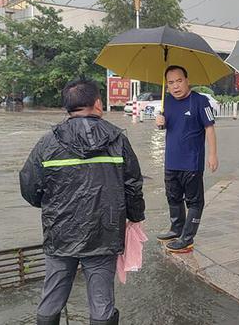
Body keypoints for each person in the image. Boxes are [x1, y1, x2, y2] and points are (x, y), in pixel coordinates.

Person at [20, 79, 145, 325]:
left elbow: (29, 186)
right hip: (104, 232)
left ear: (68, 107)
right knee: (102, 301)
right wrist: (135, 216)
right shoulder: (118, 140)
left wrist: (52, 208)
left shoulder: (48, 143)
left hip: (61, 232)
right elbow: (133, 184)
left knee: (52, 295)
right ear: (98, 103)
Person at [155, 65, 218, 253]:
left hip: (191, 161)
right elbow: (165, 127)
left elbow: (210, 128)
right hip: (171, 161)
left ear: (187, 80)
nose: (175, 86)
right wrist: (159, 123)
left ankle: (188, 238)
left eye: (179, 80)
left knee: (194, 200)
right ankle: (176, 229)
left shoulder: (200, 101)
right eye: (171, 82)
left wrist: (213, 155)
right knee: (173, 197)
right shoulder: (167, 102)